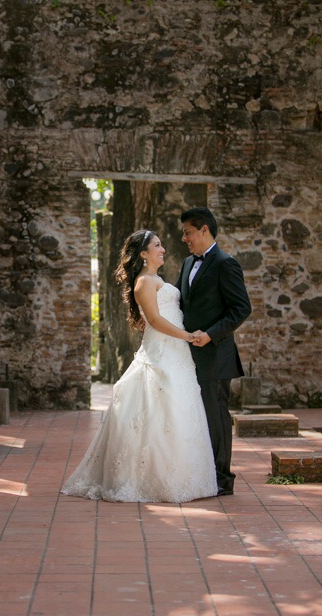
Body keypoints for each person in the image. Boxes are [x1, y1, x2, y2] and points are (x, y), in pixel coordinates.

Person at [61, 230, 218, 503]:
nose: (163, 249)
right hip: (161, 351)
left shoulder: (156, 279)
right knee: (156, 412)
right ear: (143, 254)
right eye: (157, 245)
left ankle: (182, 476)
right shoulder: (144, 282)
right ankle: (147, 479)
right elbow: (155, 321)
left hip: (176, 353)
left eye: (161, 244)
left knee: (179, 412)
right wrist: (189, 336)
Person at [176, 207, 251, 497]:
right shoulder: (186, 264)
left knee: (216, 416)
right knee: (196, 415)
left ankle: (223, 479)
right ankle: (202, 473)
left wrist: (210, 335)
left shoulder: (225, 263)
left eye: (188, 232)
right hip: (187, 356)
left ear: (204, 229)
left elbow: (241, 309)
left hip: (216, 356)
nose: (184, 238)